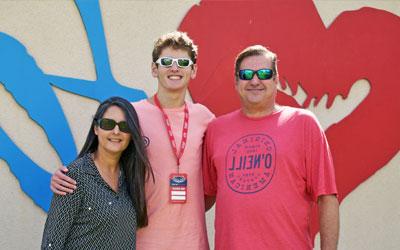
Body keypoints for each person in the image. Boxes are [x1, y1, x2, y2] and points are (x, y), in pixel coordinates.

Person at [50, 32, 214, 250]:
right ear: (154, 69)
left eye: (183, 62)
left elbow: (217, 178)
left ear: (193, 70)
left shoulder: (206, 118)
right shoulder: (132, 115)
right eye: (166, 62)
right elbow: (102, 157)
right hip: (140, 242)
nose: (175, 68)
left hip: (192, 242)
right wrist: (67, 176)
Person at [202, 45, 340, 250]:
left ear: (276, 80)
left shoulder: (303, 123)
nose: (255, 80)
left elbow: (326, 197)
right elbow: (204, 197)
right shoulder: (216, 129)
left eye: (264, 74)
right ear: (236, 81)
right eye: (246, 74)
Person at [41, 97, 152, 249]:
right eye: (108, 124)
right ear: (96, 128)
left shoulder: (130, 178)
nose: (116, 131)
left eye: (124, 126)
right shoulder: (75, 176)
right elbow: (51, 243)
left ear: (131, 134)